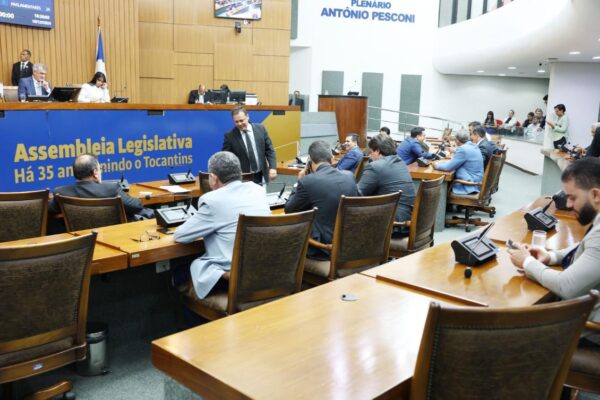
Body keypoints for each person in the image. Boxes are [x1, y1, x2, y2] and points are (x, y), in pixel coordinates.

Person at [508, 157, 600, 346]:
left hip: (588, 331)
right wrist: (549, 256)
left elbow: (565, 286)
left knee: (509, 333)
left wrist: (527, 262)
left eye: (573, 197)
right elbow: (584, 246)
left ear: (596, 195)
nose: (567, 205)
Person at [174, 151, 271, 300]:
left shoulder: (212, 200)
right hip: (266, 273)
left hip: (234, 279)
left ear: (212, 177)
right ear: (239, 173)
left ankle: (201, 321)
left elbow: (180, 236)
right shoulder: (258, 191)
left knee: (178, 275)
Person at [285, 140, 358, 259]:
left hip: (324, 249)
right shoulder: (349, 176)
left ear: (310, 159)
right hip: (351, 245)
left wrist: (298, 182)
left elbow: (289, 210)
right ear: (331, 157)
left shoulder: (307, 181)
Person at [49, 153, 144, 219]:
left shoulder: (60, 193)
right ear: (95, 173)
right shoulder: (111, 189)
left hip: (82, 241)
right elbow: (137, 206)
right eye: (99, 169)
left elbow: (50, 210)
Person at [358, 133, 416, 225]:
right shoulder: (401, 162)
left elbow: (358, 195)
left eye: (371, 152)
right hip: (408, 218)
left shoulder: (375, 166)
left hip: (392, 224)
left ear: (377, 151)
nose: (370, 156)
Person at [222, 107, 277, 184]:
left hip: (261, 174)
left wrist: (273, 168)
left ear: (247, 117)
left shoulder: (261, 129)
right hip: (243, 178)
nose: (239, 124)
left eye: (241, 120)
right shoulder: (230, 136)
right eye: (236, 122)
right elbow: (226, 158)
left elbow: (269, 150)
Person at [433, 130, 484, 194]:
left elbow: (448, 167)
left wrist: (436, 165)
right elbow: (453, 163)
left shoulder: (463, 149)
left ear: (457, 140)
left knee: (440, 188)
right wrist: (441, 163)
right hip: (477, 181)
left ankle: (443, 203)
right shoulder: (474, 146)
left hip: (470, 185)